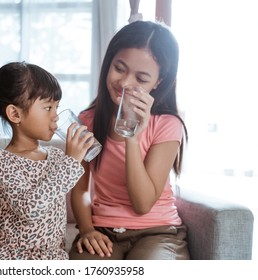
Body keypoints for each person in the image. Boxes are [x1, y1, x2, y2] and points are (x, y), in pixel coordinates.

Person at [68, 20, 190, 260]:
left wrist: (132, 138)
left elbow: (142, 204)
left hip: (158, 232)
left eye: (141, 78)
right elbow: (80, 187)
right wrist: (87, 229)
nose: (124, 83)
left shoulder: (167, 125)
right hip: (103, 231)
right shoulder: (88, 120)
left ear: (159, 82)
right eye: (119, 68)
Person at [0, 61, 94, 260]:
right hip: (12, 256)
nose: (55, 116)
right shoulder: (3, 161)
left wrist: (82, 155)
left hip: (51, 255)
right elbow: (30, 209)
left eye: (57, 107)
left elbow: (71, 187)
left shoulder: (56, 156)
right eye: (47, 107)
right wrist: (70, 163)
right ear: (15, 114)